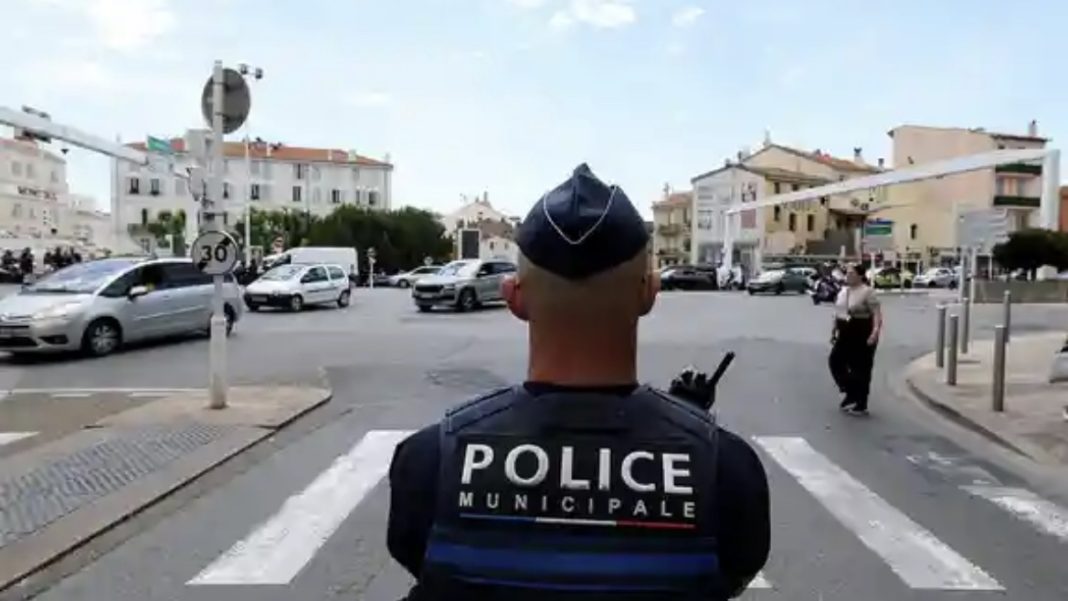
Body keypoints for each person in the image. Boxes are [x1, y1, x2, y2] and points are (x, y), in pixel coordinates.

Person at [387, 164, 770, 600]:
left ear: (514, 297)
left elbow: (416, 557)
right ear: (649, 293)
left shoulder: (430, 461)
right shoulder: (727, 470)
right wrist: (682, 425)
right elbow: (733, 573)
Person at [829, 264, 883, 416]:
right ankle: (851, 391)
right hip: (845, 331)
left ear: (860, 275)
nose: (848, 276)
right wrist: (834, 329)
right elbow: (838, 311)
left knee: (861, 368)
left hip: (861, 331)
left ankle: (861, 403)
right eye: (847, 273)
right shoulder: (843, 291)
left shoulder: (867, 292)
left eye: (852, 273)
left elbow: (876, 313)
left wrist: (875, 332)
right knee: (835, 361)